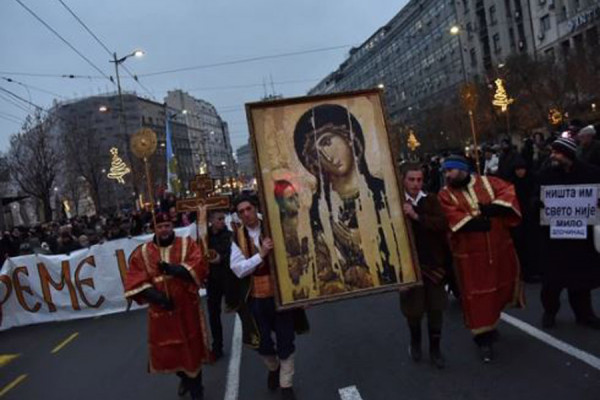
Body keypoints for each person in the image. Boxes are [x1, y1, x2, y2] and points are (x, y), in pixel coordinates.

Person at [293, 104, 403, 293]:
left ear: (349, 137)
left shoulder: (384, 193)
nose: (326, 156)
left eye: (327, 142)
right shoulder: (317, 210)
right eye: (316, 152)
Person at [438, 155, 524, 363]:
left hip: (498, 249)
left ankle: (491, 327)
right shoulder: (445, 194)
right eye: (445, 172)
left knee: (498, 291)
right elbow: (451, 217)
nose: (447, 175)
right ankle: (483, 339)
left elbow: (508, 192)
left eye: (450, 170)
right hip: (470, 258)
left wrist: (495, 208)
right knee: (476, 297)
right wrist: (477, 223)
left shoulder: (488, 182)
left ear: (462, 169)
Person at [229, 194, 308, 400]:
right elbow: (238, 269)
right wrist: (261, 254)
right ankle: (273, 368)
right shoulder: (236, 237)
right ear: (238, 215)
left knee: (285, 339)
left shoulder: (275, 224)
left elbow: (295, 251)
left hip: (280, 295)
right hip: (255, 298)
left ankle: (286, 384)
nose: (246, 214)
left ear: (256, 208)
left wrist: (303, 289)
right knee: (262, 343)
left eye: (249, 209)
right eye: (241, 211)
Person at [124, 212, 210, 400]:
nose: (164, 230)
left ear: (173, 226)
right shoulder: (143, 252)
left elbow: (200, 266)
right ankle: (184, 377)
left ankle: (197, 391)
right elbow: (134, 280)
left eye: (167, 226)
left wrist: (175, 269)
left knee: (192, 350)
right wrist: (157, 297)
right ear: (154, 228)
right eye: (160, 226)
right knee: (169, 353)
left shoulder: (187, 244)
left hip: (187, 308)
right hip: (161, 312)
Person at [537, 137, 600, 329]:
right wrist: (537, 203)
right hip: (555, 236)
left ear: (568, 154)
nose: (552, 156)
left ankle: (584, 314)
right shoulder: (546, 174)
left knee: (580, 280)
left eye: (556, 152)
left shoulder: (591, 173)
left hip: (581, 236)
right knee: (551, 281)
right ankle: (550, 312)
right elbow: (536, 195)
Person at [400, 163, 450, 369]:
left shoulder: (430, 200)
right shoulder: (396, 202)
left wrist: (417, 216)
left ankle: (435, 349)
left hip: (433, 264)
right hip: (410, 266)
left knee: (436, 309)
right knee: (414, 310)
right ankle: (415, 341)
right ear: (404, 180)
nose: (415, 184)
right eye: (411, 179)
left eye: (419, 180)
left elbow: (441, 223)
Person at [206, 209, 234, 360]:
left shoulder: (229, 235)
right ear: (211, 220)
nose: (222, 222)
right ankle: (217, 346)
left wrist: (221, 259)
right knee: (214, 314)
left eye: (223, 219)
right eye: (219, 219)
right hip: (212, 280)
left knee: (238, 306)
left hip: (227, 277)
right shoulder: (204, 236)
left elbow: (232, 254)